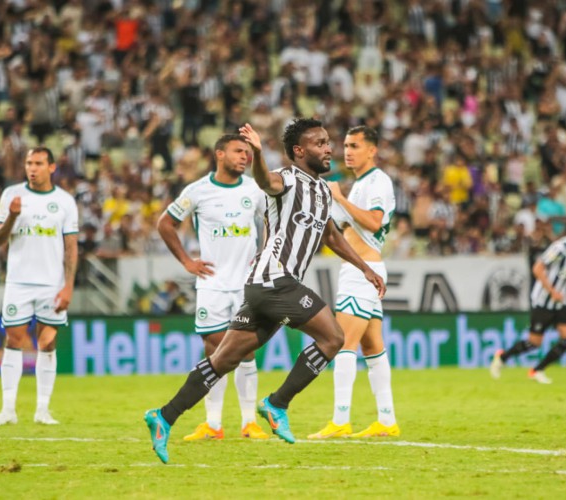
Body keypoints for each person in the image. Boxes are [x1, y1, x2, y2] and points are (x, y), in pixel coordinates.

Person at [143, 119, 386, 463]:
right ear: (300, 151)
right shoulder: (285, 178)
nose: (329, 148)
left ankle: (163, 417)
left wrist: (364, 268)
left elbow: (331, 236)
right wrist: (257, 153)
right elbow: (265, 181)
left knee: (222, 361)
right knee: (333, 338)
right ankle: (276, 404)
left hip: (262, 287)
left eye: (328, 142)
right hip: (276, 282)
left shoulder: (320, 190)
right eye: (320, 143)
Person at [156, 134, 269, 441]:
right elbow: (165, 223)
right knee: (214, 351)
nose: (244, 157)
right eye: (238, 151)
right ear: (220, 154)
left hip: (247, 286)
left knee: (246, 350)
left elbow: (272, 219)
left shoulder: (254, 190)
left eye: (247, 152)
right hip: (212, 285)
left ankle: (249, 423)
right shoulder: (197, 191)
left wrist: (266, 253)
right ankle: (213, 424)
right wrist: (186, 262)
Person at [309, 126, 399, 439]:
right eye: (346, 145)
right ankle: (387, 420)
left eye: (356, 145)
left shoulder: (377, 181)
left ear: (372, 150)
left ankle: (340, 420)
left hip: (363, 272)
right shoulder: (361, 183)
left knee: (342, 343)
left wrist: (340, 199)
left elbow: (375, 221)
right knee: (372, 347)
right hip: (363, 271)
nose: (347, 151)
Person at [0, 147, 79, 426]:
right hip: (19, 282)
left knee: (48, 343)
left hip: (52, 285)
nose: (32, 168)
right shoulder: (11, 195)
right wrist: (13, 217)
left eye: (39, 163)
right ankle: (8, 410)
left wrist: (68, 287)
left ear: (52, 167)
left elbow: (71, 247)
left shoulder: (64, 201)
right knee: (13, 341)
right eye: (29, 163)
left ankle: (42, 410)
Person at [490, 216, 566, 384]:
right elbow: (537, 268)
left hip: (561, 302)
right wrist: (552, 291)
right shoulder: (561, 247)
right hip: (543, 300)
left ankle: (537, 370)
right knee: (534, 343)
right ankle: (502, 357)